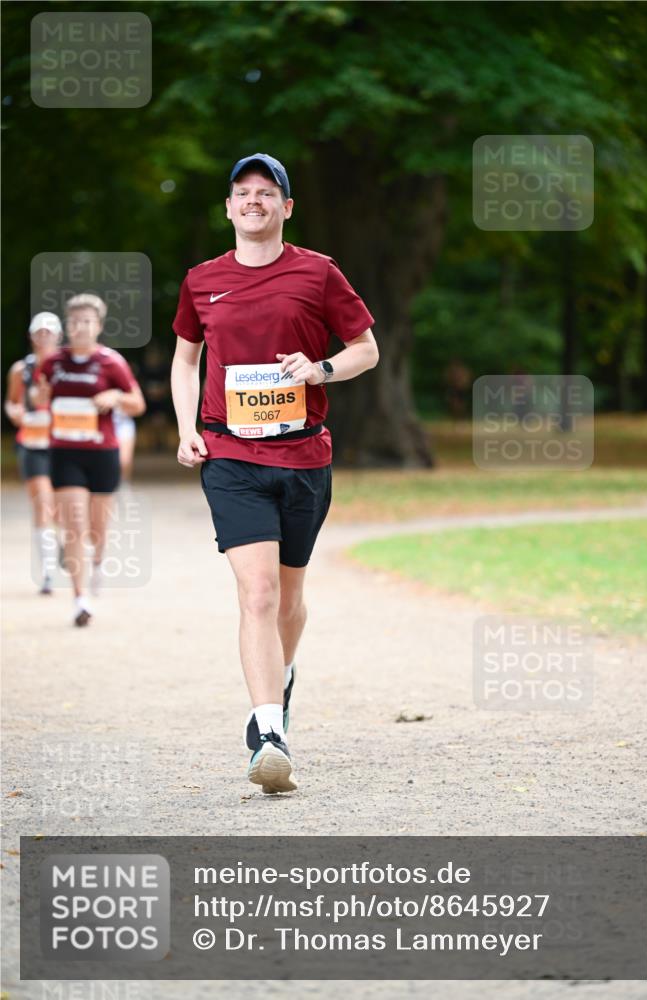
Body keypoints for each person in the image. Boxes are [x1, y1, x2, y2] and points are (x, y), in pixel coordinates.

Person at [171, 153, 379, 795]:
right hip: (231, 456)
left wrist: (319, 369)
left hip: (304, 455)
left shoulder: (318, 273)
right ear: (229, 208)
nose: (253, 201)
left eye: (267, 192)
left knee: (289, 598)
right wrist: (187, 429)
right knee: (256, 593)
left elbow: (366, 350)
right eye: (242, 193)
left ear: (286, 207)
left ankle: (281, 681)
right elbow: (186, 360)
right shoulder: (202, 280)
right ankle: (269, 733)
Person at [33, 293, 146, 626]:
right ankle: (80, 599)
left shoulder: (112, 363)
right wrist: (39, 396)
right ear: (67, 325)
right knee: (73, 526)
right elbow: (39, 397)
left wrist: (116, 396)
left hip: (102, 453)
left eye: (87, 322)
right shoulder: (53, 363)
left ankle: (98, 560)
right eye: (75, 322)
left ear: (98, 326)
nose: (80, 328)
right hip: (65, 452)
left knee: (97, 528)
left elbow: (137, 403)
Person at [4, 312, 62, 594]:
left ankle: (62, 547)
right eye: (39, 333)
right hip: (32, 443)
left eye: (49, 332)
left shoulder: (66, 367)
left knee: (61, 509)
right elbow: (12, 403)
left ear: (58, 336)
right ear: (31, 336)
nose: (44, 338)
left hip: (63, 444)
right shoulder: (20, 370)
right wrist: (15, 413)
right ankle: (48, 571)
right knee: (42, 504)